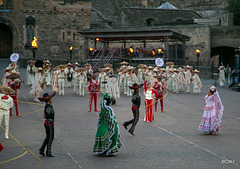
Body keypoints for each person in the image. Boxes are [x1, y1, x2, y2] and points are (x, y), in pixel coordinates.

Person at [38, 92, 56, 157]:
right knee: (51, 137)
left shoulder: (48, 106)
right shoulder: (48, 106)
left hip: (48, 123)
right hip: (49, 123)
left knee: (48, 137)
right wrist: (46, 116)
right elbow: (48, 115)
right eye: (50, 98)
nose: (51, 99)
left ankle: (42, 149)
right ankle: (48, 151)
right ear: (48, 100)